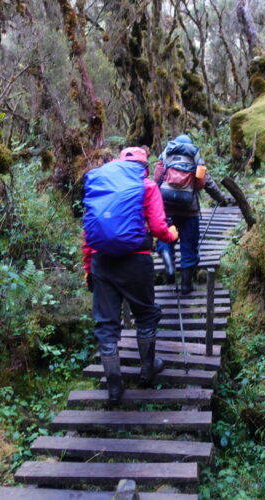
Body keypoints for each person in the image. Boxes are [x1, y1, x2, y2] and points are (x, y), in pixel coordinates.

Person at [82, 147, 178, 402]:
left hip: (102, 261)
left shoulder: (102, 186)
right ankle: (147, 369)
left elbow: (88, 233)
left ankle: (114, 386)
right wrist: (171, 235)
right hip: (136, 260)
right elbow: (158, 227)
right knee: (145, 314)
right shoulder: (147, 186)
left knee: (106, 323)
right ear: (144, 165)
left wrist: (88, 268)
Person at [154, 134, 227, 294]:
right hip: (189, 210)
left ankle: (169, 264)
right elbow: (204, 183)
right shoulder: (195, 158)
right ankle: (186, 285)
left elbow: (157, 180)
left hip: (166, 209)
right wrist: (220, 198)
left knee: (166, 237)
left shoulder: (165, 155)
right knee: (189, 245)